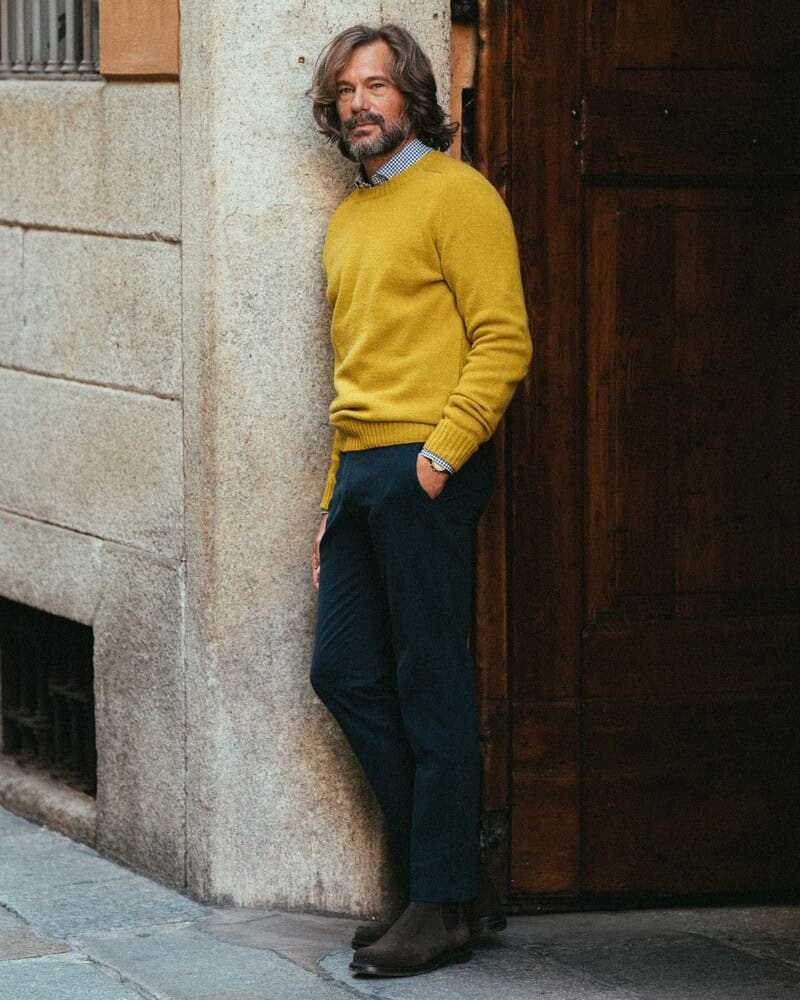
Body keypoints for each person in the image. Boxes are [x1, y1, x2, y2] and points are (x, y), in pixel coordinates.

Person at [307, 23, 532, 978]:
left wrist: (436, 461)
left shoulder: (459, 194)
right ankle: (449, 879)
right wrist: (330, 505)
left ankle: (438, 907)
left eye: (379, 87)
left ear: (413, 97)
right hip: (361, 469)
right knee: (344, 671)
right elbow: (350, 373)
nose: (362, 103)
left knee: (431, 678)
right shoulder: (349, 218)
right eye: (348, 90)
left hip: (426, 465)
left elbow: (504, 342)